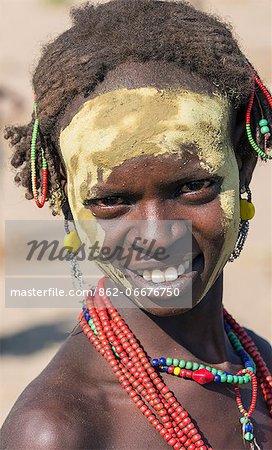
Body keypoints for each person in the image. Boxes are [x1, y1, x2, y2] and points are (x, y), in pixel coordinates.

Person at [1, 1, 272, 449]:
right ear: (66, 203)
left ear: (243, 168)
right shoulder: (61, 431)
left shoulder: (258, 364)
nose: (157, 237)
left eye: (192, 186)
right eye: (110, 201)